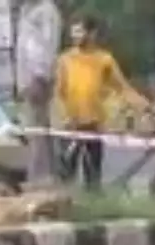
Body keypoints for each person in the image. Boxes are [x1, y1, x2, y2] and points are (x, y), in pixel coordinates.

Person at [55, 16, 149, 190]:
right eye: (73, 33)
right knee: (67, 174)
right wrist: (64, 117)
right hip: (70, 125)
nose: (75, 36)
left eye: (79, 32)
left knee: (93, 176)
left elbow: (123, 88)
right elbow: (59, 92)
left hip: (94, 124)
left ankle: (93, 202)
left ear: (92, 33)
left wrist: (143, 106)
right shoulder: (65, 60)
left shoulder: (104, 60)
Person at [15, 0, 61, 183]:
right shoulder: (26, 9)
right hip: (26, 78)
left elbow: (47, 47)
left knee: (38, 129)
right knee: (33, 128)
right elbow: (24, 48)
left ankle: (40, 176)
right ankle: (42, 173)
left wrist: (40, 77)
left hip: (38, 79)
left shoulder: (46, 10)